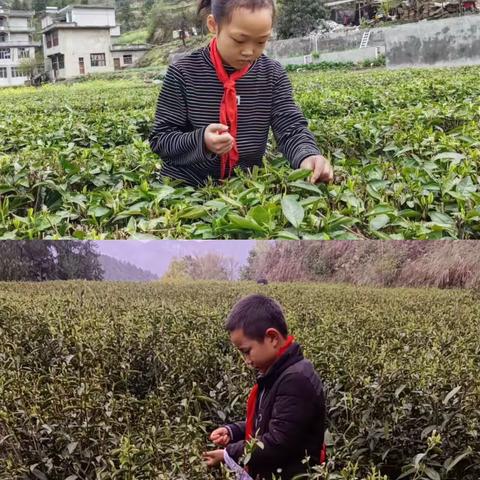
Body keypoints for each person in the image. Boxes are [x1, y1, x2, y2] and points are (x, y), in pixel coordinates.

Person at [149, 0, 334, 187]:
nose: (249, 51)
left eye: (261, 41)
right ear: (213, 25)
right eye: (239, 40)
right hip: (186, 186)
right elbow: (161, 139)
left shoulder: (272, 74)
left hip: (245, 187)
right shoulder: (183, 73)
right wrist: (202, 141)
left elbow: (290, 127)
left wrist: (308, 155)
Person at [203, 294, 326, 480]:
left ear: (272, 338)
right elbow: (271, 422)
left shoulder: (295, 380)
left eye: (247, 351)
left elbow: (277, 443)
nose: (246, 361)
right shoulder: (277, 373)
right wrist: (233, 432)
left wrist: (231, 451)